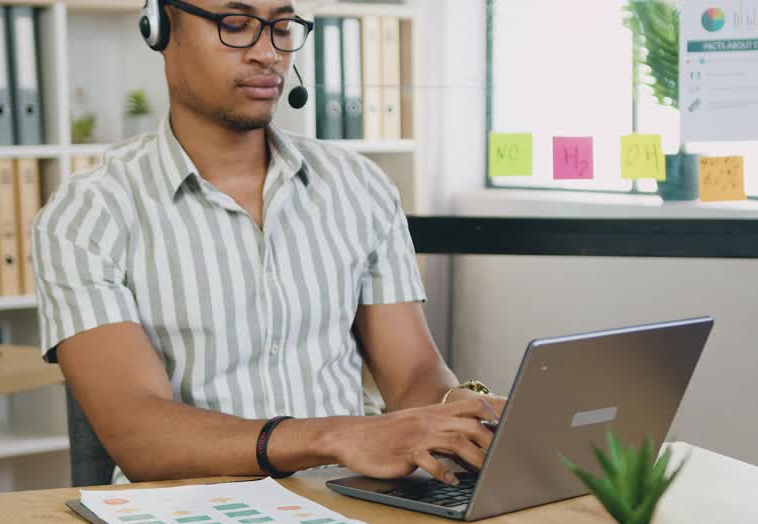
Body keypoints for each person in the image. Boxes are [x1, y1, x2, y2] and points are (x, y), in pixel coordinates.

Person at [32, 0, 502, 486]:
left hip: (353, 501)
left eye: (281, 27)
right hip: (188, 522)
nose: (269, 53)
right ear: (160, 27)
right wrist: (334, 437)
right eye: (237, 25)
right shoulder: (84, 216)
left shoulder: (359, 185)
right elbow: (140, 436)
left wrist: (466, 412)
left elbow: (413, 377)